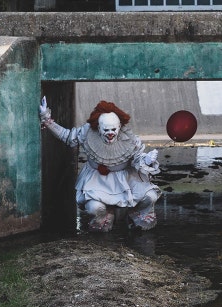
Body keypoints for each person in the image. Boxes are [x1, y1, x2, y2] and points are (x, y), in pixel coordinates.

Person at [39, 97, 162, 232]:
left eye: (113, 130)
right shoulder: (87, 133)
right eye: (106, 130)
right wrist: (46, 118)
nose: (110, 134)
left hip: (126, 179)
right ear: (98, 127)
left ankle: (136, 215)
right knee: (95, 208)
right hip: (98, 180)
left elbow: (138, 158)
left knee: (150, 196)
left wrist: (148, 160)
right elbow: (67, 137)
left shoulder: (129, 138)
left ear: (120, 127)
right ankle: (104, 216)